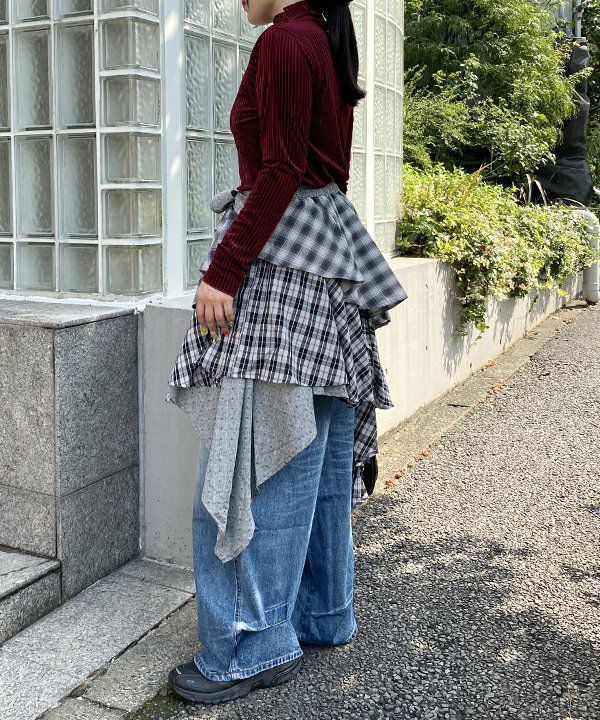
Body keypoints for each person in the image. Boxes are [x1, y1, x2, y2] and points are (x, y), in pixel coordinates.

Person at [165, 0, 408, 705]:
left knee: (255, 461)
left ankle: (252, 646)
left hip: (280, 265)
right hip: (324, 260)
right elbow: (316, 170)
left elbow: (280, 169)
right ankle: (325, 614)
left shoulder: (285, 40)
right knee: (315, 459)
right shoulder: (325, 39)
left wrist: (224, 269)